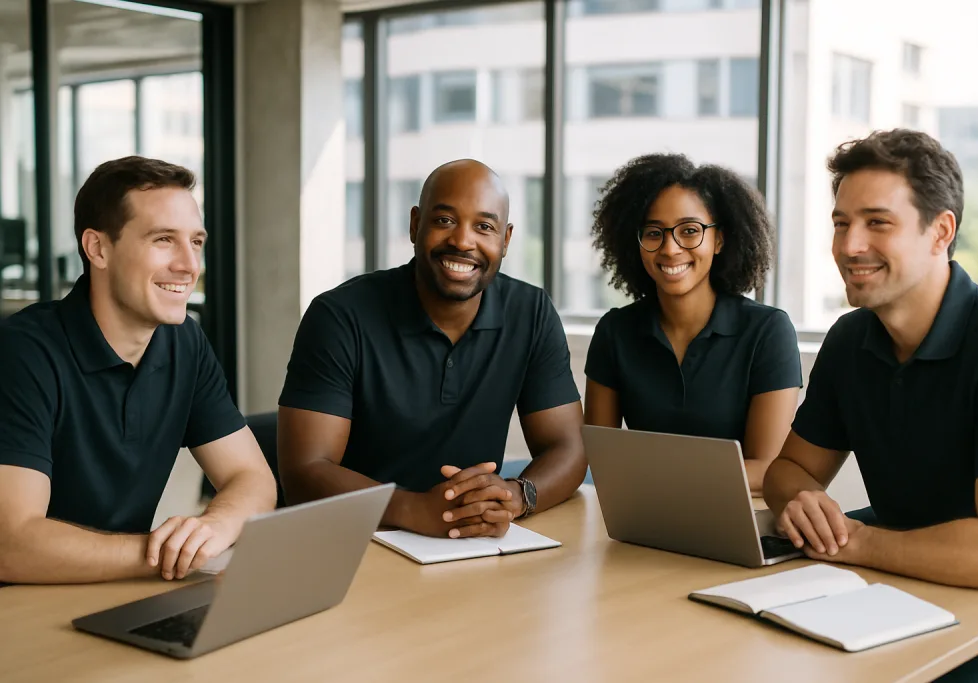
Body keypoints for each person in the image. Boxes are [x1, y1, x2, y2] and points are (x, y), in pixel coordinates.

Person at [763, 129, 978, 681]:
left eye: (877, 222)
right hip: (897, 589)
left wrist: (853, 541)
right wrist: (803, 499)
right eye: (840, 223)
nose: (850, 245)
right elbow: (790, 469)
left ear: (941, 232)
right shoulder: (850, 339)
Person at [0, 156, 277, 585]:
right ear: (98, 248)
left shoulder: (185, 342)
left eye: (196, 242)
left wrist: (213, 528)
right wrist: (167, 554)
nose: (189, 265)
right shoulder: (22, 353)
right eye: (164, 239)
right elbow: (11, 545)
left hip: (113, 594)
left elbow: (252, 478)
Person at [277, 159, 586, 539]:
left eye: (484, 227)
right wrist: (413, 508)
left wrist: (517, 496)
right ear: (414, 225)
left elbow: (569, 446)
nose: (462, 241)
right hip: (353, 540)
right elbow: (304, 473)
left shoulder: (531, 313)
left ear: (505, 240)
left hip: (469, 546)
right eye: (444, 221)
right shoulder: (340, 317)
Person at [584, 153, 802, 494]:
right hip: (646, 516)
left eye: (690, 231)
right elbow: (601, 456)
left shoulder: (767, 331)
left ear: (719, 240)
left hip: (737, 517)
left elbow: (767, 468)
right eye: (654, 233)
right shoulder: (615, 332)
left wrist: (668, 478)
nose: (670, 249)